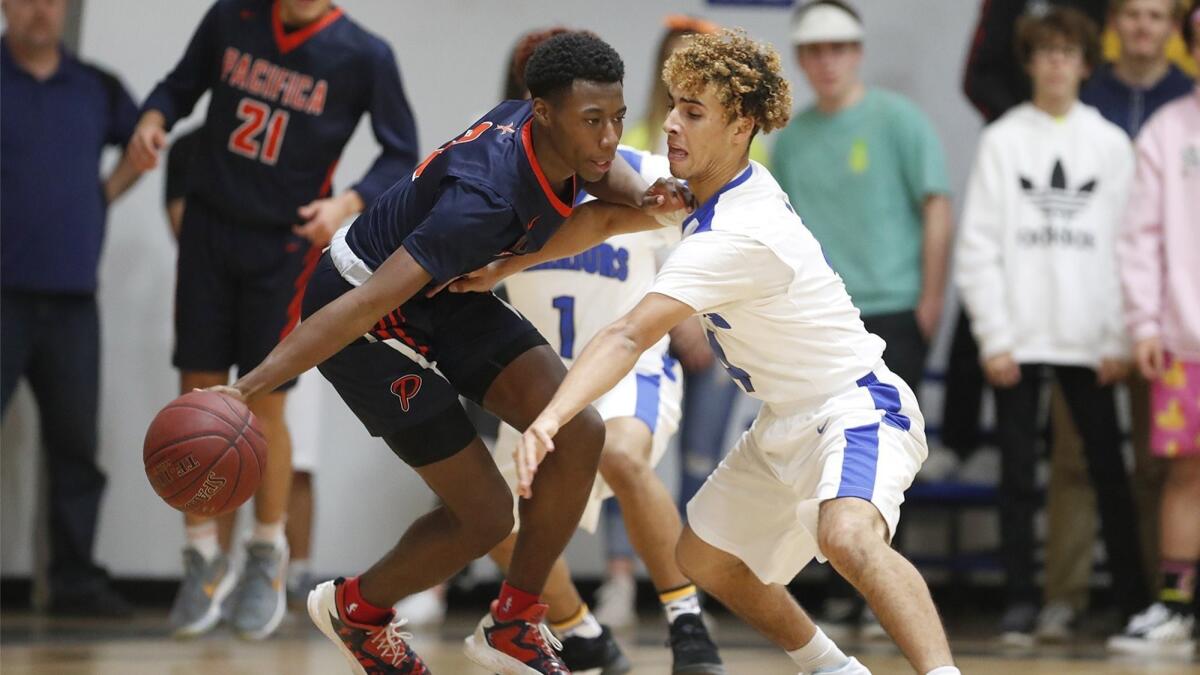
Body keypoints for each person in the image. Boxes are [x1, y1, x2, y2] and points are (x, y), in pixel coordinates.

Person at [460, 27, 960, 675]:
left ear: (740, 125)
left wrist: (551, 419)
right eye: (672, 105)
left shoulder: (741, 231)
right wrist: (506, 264)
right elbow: (601, 210)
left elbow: (628, 334)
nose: (671, 123)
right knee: (700, 556)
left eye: (693, 113)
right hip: (782, 418)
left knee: (847, 535)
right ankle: (832, 666)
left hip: (852, 406)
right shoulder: (696, 185)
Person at [206, 31, 690, 674]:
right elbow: (361, 304)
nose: (608, 138)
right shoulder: (480, 200)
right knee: (485, 515)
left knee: (579, 430)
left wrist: (641, 197)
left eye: (617, 119)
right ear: (542, 113)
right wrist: (248, 389)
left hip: (443, 289)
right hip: (364, 309)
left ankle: (516, 621)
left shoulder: (545, 129)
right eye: (593, 121)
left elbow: (610, 180)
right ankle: (357, 611)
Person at [128, 0, 419, 640]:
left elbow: (402, 153)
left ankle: (265, 551)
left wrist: (346, 201)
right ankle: (200, 557)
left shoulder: (363, 54)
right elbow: (180, 85)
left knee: (265, 404)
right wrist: (154, 119)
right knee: (197, 394)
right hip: (209, 227)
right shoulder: (232, 17)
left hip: (284, 247)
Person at [490, 143, 723, 674]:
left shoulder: (643, 172)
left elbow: (705, 220)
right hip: (540, 385)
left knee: (620, 453)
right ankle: (581, 632)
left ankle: (685, 619)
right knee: (491, 521)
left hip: (628, 368)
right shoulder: (500, 186)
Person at [956, 7, 1149, 644]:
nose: (1057, 64)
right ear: (1030, 63)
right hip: (1019, 337)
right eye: (1046, 53)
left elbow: (1130, 249)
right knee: (1017, 476)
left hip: (1090, 342)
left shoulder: (1111, 145)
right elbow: (978, 247)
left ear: (1087, 65)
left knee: (1106, 473)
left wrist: (1119, 338)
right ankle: (1018, 599)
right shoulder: (1003, 140)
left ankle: (1132, 601)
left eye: (1069, 53)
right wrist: (996, 337)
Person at [771, 0, 953, 634]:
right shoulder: (790, 141)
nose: (828, 61)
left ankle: (887, 594)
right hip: (824, 324)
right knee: (823, 453)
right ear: (801, 59)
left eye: (839, 48)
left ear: (858, 52)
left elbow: (935, 205)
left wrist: (930, 296)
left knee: (886, 460)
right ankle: (845, 591)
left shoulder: (899, 121)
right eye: (815, 51)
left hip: (895, 306)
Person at [1037, 0, 1192, 641]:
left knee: (1166, 471)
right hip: (1098, 311)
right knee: (1076, 461)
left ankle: (1157, 597)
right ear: (1113, 25)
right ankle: (1070, 599)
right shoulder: (1085, 94)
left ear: (1171, 30)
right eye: (1132, 14)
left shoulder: (1184, 97)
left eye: (1157, 16)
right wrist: (1133, 320)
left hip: (1166, 316)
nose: (1143, 27)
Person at [0, 0, 146, 617]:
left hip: (70, 300)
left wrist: (103, 194)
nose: (41, 11)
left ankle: (76, 582)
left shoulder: (97, 89)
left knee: (75, 447)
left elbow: (143, 144)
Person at [1107, 7, 1200, 657]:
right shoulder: (1169, 131)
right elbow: (1140, 238)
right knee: (1185, 475)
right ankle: (1175, 608)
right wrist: (1144, 320)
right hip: (1184, 338)